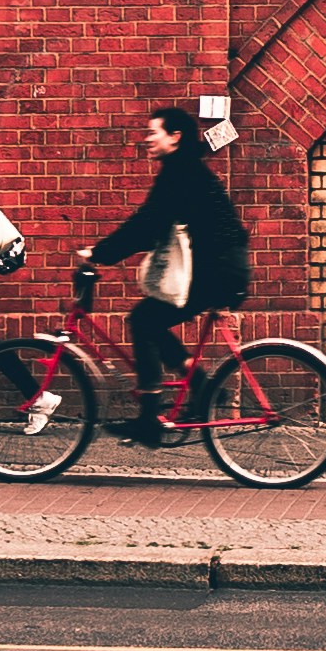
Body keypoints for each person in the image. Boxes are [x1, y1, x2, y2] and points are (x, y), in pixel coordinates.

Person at [82, 103, 251, 443]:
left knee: (144, 320)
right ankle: (201, 387)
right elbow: (152, 223)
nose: (147, 139)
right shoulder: (184, 170)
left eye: (152, 132)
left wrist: (99, 253)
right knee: (151, 320)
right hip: (220, 268)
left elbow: (147, 225)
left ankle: (150, 418)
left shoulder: (180, 174)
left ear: (175, 137)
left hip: (216, 270)